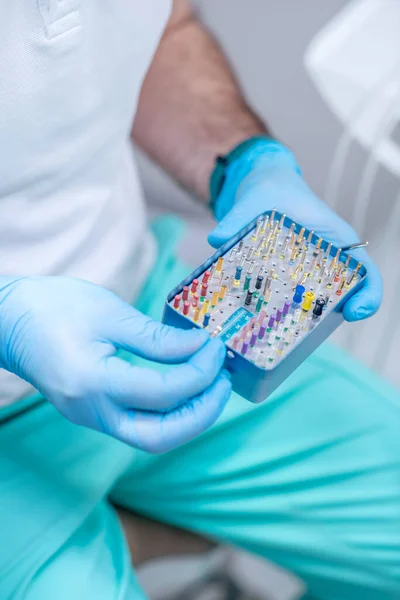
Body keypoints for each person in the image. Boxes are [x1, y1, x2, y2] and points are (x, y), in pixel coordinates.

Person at [0, 1, 399, 598]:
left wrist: (246, 163)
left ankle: (131, 531)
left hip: (146, 312)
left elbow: (162, 27)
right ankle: (134, 537)